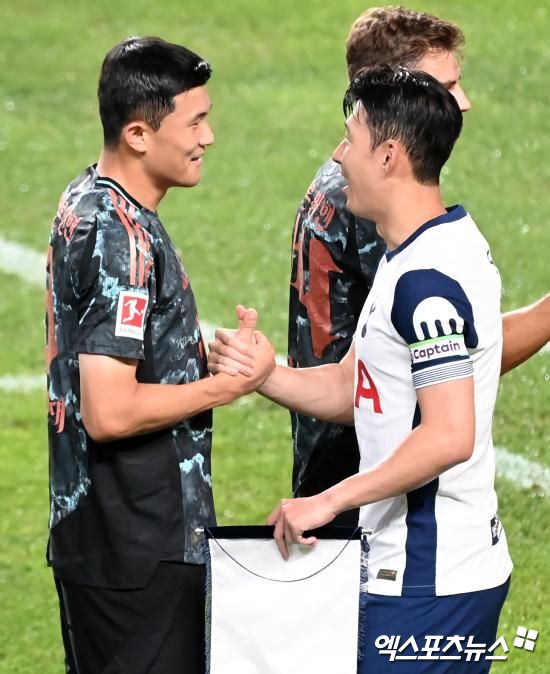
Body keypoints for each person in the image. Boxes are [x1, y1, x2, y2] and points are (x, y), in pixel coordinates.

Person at [209, 66, 513, 672]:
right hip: (412, 573)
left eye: (351, 140)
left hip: (430, 582)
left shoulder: (427, 282)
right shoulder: (411, 253)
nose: (340, 156)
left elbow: (449, 435)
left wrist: (326, 501)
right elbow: (358, 386)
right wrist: (266, 374)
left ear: (389, 156)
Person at [45, 37, 274, 674]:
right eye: (194, 122)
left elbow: (115, 345)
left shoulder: (90, 199)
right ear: (140, 134)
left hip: (109, 537)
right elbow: (110, 412)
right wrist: (224, 388)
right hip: (137, 547)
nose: (209, 137)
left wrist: (205, 355)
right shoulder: (118, 236)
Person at [288, 5, 550, 526]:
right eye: (445, 87)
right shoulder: (376, 205)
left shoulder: (341, 181)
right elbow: (451, 356)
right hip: (376, 474)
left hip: (344, 455)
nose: (463, 102)